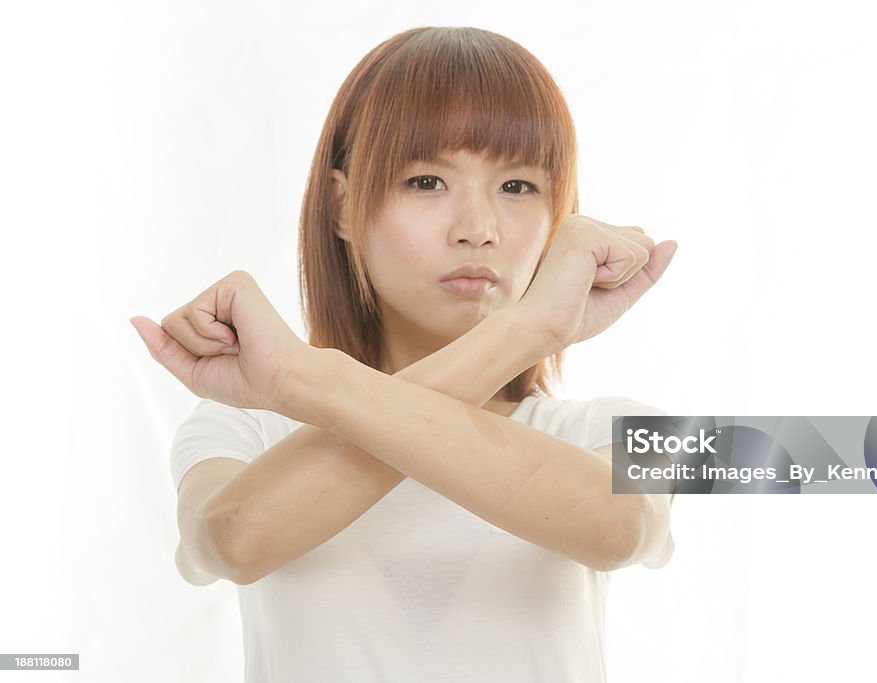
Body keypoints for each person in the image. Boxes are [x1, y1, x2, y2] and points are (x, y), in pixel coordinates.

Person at [131, 25, 678, 683]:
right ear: (340, 206)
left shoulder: (622, 426)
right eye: (426, 181)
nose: (478, 229)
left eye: (517, 187)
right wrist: (526, 328)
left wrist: (304, 376)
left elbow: (620, 527)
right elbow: (233, 540)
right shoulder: (246, 424)